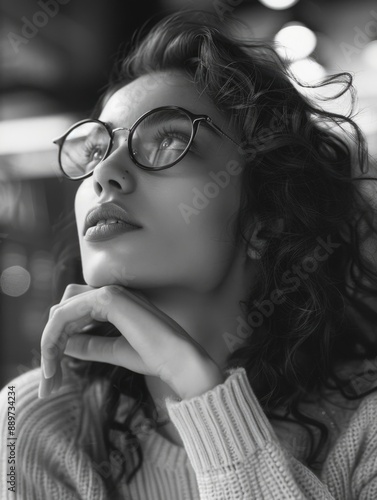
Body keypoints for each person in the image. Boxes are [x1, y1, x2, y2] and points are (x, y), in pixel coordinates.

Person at [1, 8, 377, 500]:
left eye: (169, 141)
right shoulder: (29, 423)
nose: (104, 172)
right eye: (96, 149)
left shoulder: (365, 428)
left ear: (268, 216)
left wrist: (203, 394)